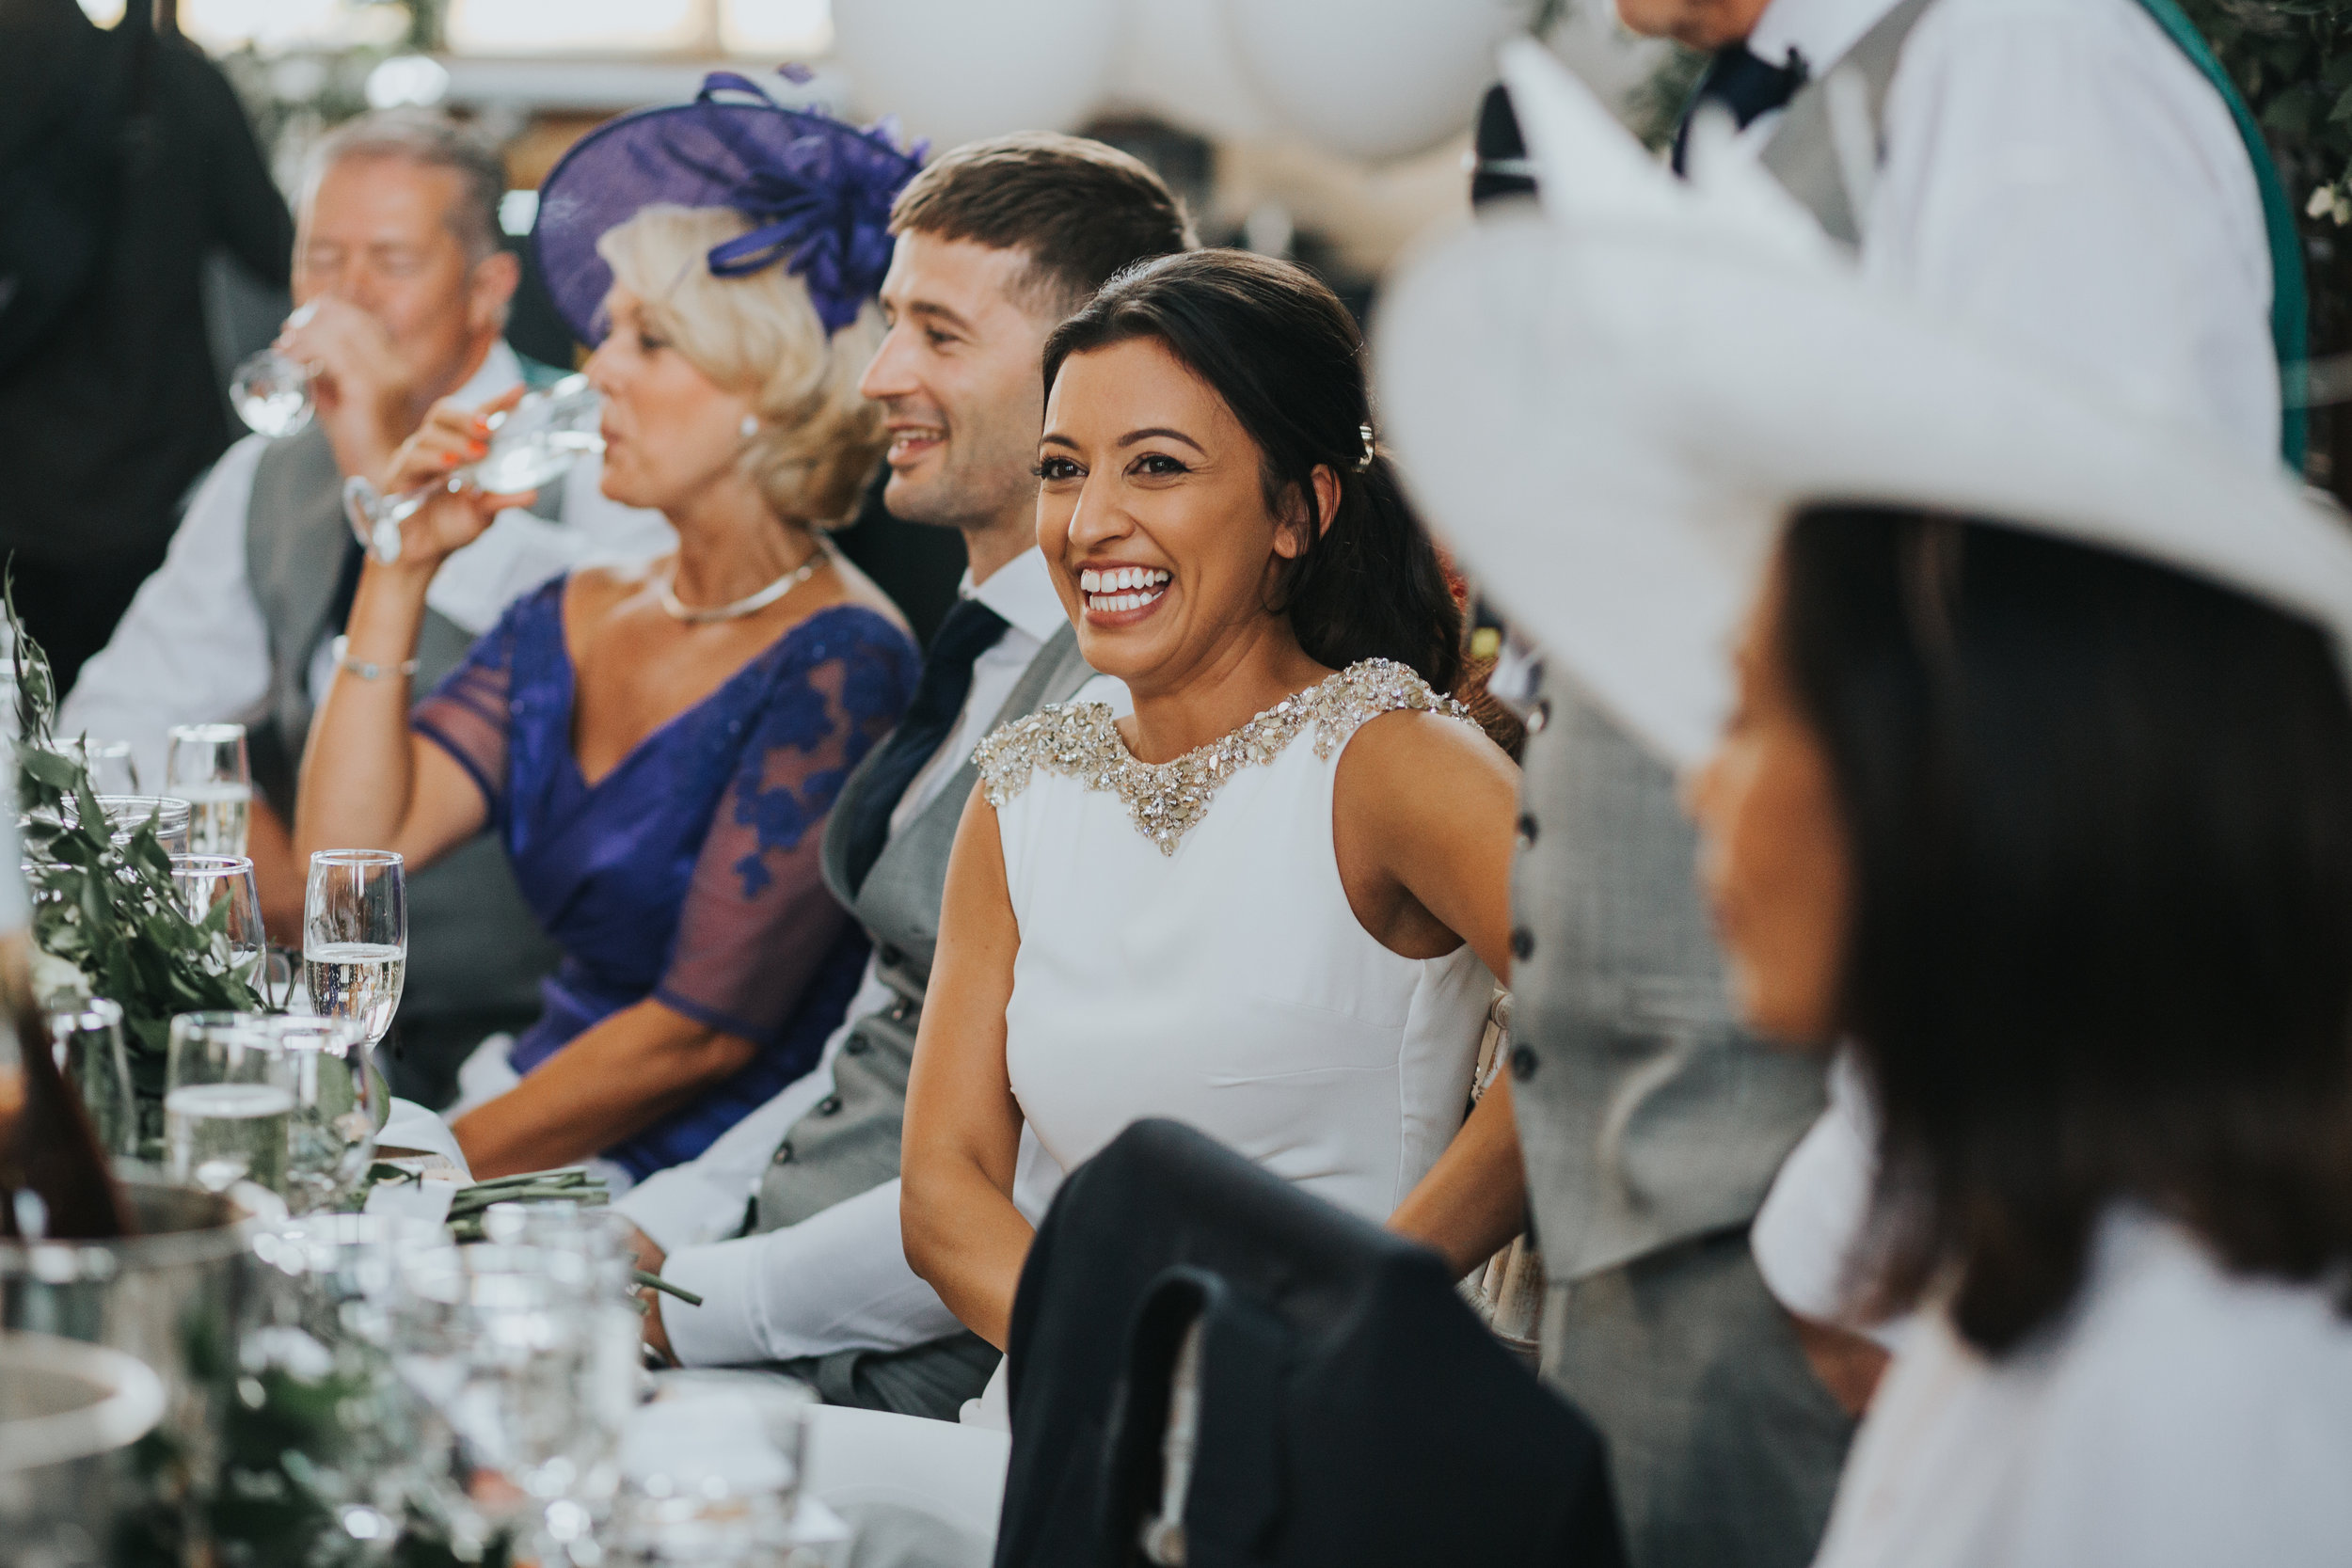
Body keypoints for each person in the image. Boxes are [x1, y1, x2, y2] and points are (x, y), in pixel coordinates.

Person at [1380, 106, 2352, 1568]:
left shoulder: (2170, 1400)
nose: (1700, 785)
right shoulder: (2049, 1278)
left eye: (1757, 714)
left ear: (1961, 787)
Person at [614, 132, 1193, 1421]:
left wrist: (693, 1306)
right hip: (766, 1301)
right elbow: (871, 1039)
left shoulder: (1129, 701)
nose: (878, 376)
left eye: (938, 332)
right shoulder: (983, 636)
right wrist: (658, 1231)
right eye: (890, 324)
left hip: (906, 1376)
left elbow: (1040, 1169)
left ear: (1091, 371)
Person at [294, 84, 925, 1183]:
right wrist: (397, 567)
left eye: (650, 339)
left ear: (763, 387)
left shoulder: (844, 659)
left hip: (685, 1187)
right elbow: (347, 863)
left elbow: (698, 1034)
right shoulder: (576, 605)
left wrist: (410, 1169)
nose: (597, 370)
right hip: (511, 1115)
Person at [900, 249, 1521, 1358]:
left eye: (1155, 466)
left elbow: (1603, 1019)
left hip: (1326, 1433)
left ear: (1298, 508)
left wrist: (1354, 1305)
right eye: (1061, 467)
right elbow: (945, 1188)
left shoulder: (1392, 761)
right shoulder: (1022, 789)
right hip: (1065, 1413)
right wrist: (1111, 1366)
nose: (1087, 522)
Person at [61, 109, 669, 1108]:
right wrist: (254, 850)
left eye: (387, 261)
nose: (342, 299)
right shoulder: (263, 473)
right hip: (306, 1020)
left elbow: (619, 666)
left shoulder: (609, 444)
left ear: (488, 287)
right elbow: (112, 724)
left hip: (543, 1033)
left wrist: (383, 468)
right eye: (320, 258)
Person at [0, 0, 292, 693]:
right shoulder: (175, 85)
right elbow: (280, 252)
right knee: (142, 740)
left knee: (20, 750)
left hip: (14, 496)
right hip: (158, 486)